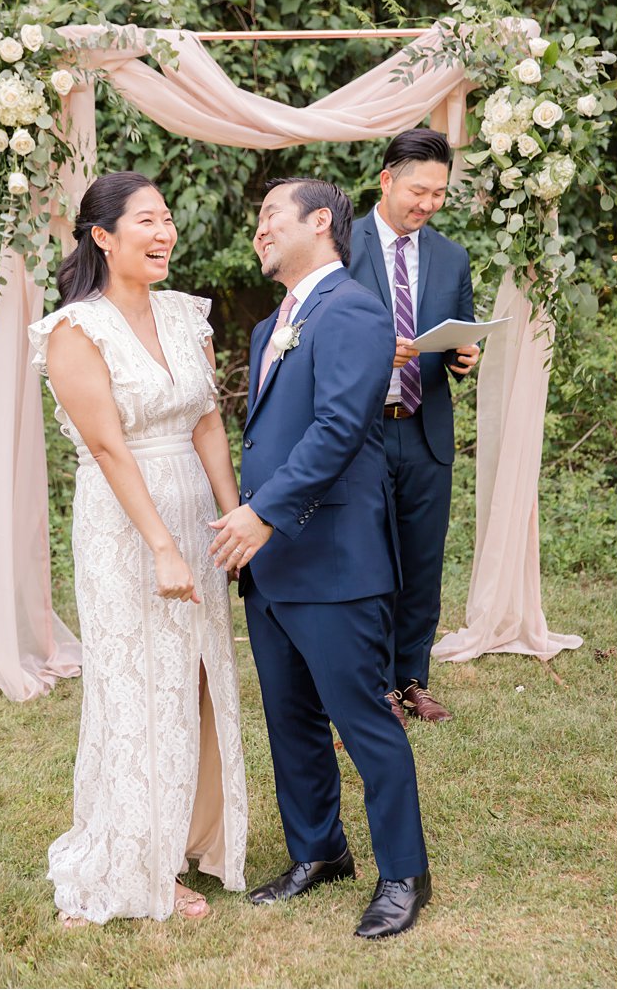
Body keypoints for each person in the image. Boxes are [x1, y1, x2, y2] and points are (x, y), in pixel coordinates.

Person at [208, 177, 430, 939]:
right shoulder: (271, 324)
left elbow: (338, 429)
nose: (260, 228)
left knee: (363, 717)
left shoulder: (356, 312)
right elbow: (268, 436)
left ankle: (404, 872)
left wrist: (263, 513)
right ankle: (319, 850)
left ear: (322, 222)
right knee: (290, 717)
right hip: (271, 562)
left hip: (333, 555)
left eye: (271, 214)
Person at [28, 171, 248, 926]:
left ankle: (183, 836)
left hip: (194, 510)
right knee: (134, 684)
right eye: (146, 221)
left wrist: (233, 518)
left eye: (167, 219)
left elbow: (207, 422)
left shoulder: (188, 315)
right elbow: (108, 447)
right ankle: (134, 863)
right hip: (127, 525)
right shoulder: (73, 331)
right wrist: (161, 546)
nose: (164, 234)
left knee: (192, 678)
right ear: (103, 235)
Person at [346, 129, 479, 725]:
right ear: (386, 181)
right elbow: (318, 335)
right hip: (360, 432)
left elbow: (462, 332)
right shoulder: (338, 246)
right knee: (369, 562)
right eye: (418, 191)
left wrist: (466, 357)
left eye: (439, 194)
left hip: (426, 429)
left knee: (422, 564)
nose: (427, 204)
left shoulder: (452, 258)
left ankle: (411, 681)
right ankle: (369, 687)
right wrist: (377, 352)